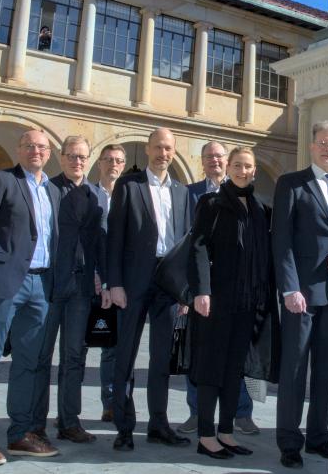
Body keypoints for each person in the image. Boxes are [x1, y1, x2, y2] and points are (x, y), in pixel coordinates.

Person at [0, 129, 62, 465]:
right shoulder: (1, 181)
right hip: (4, 285)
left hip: (40, 286)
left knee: (29, 363)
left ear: (49, 153)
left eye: (42, 147)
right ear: (18, 150)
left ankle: (20, 433)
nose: (36, 150)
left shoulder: (52, 190)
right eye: (29, 145)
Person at [272, 120, 328, 469]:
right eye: (322, 142)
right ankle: (289, 442)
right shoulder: (292, 184)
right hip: (302, 296)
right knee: (294, 371)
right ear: (312, 147)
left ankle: (318, 438)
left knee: (325, 371)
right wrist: (290, 287)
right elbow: (281, 241)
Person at [188, 147, 274, 460]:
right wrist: (201, 291)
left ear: (254, 171)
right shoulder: (211, 203)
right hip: (217, 301)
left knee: (234, 370)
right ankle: (206, 435)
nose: (242, 170)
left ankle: (226, 431)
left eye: (247, 166)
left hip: (248, 302)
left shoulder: (260, 208)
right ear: (228, 167)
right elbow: (197, 247)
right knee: (212, 369)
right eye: (236, 165)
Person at [107, 128, 190, 452]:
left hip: (167, 285)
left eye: (168, 148)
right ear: (148, 149)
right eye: (158, 147)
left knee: (161, 360)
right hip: (133, 282)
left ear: (174, 151)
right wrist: (114, 283)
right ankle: (124, 428)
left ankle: (158, 424)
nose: (163, 153)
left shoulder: (182, 192)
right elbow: (114, 237)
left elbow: (186, 245)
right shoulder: (129, 186)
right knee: (124, 356)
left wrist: (185, 291)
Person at [31, 136, 109, 445]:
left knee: (75, 357)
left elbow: (100, 242)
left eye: (82, 157)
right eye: (72, 156)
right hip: (50, 285)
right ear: (61, 158)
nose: (77, 161)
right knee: (41, 356)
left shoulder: (95, 196)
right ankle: (35, 422)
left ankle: (69, 421)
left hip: (81, 288)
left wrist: (102, 277)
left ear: (88, 160)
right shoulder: (47, 190)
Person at [179, 140, 257, 436]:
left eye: (219, 156)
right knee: (200, 353)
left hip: (238, 294)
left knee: (236, 355)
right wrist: (192, 290)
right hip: (203, 291)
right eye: (208, 156)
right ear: (202, 162)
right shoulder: (192, 195)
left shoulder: (250, 201)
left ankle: (241, 413)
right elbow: (188, 243)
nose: (214, 160)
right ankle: (197, 412)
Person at [94, 143, 125, 422]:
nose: (113, 164)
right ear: (100, 163)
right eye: (108, 159)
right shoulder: (90, 195)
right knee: (98, 346)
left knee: (117, 347)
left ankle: (117, 401)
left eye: (118, 160)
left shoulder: (129, 196)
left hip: (122, 283)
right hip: (92, 281)